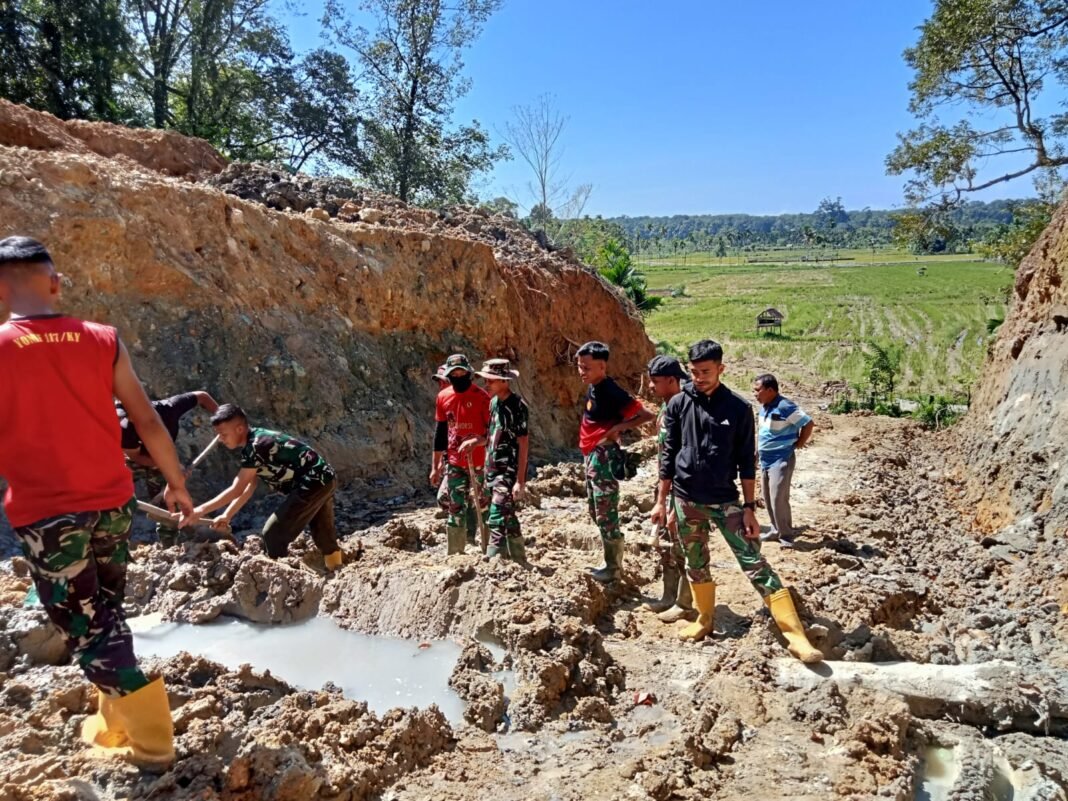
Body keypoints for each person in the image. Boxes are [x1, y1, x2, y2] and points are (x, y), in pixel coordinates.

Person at [0, 236, 192, 766]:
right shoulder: (102, 339)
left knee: (85, 626)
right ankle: (113, 724)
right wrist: (175, 483)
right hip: (113, 502)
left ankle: (153, 743)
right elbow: (148, 419)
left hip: (48, 514)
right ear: (56, 282)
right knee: (104, 611)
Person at [652, 339, 822, 663]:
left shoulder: (738, 408)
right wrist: (664, 502)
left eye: (705, 371)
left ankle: (795, 635)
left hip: (725, 502)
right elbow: (668, 457)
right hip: (686, 501)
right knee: (695, 563)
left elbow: (747, 461)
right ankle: (704, 621)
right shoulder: (677, 405)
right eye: (694, 371)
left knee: (754, 562)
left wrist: (749, 508)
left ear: (721, 369)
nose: (699, 377)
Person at [193, 404, 343, 570]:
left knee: (273, 533)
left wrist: (200, 510)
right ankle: (336, 568)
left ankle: (286, 583)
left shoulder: (256, 446)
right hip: (323, 478)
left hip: (313, 481)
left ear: (239, 429)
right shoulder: (255, 443)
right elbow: (248, 488)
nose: (221, 439)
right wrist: (227, 515)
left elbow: (237, 488)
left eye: (223, 434)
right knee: (322, 531)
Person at [576, 341, 654, 583]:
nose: (581, 371)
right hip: (592, 455)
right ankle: (610, 561)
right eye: (579, 366)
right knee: (595, 509)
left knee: (605, 510)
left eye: (586, 367)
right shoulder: (594, 387)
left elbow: (645, 415)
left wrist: (619, 427)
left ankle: (613, 567)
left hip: (604, 456)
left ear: (602, 366)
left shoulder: (611, 390)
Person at [117, 390, 219, 546]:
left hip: (161, 459)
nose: (130, 419)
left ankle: (169, 543)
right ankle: (115, 541)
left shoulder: (169, 408)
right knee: (114, 495)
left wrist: (222, 420)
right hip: (130, 462)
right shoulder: (125, 428)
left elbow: (202, 396)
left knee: (169, 502)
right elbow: (136, 456)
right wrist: (169, 465)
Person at [640, 355, 693, 622]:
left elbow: (682, 456)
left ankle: (685, 602)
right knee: (668, 544)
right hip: (665, 484)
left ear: (672, 380)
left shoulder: (684, 410)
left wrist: (672, 497)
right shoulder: (666, 407)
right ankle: (669, 596)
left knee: (680, 543)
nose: (650, 386)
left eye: (655, 381)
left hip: (679, 488)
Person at [460, 359, 529, 561]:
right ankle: (519, 558)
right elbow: (491, 436)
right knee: (507, 514)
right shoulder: (493, 404)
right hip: (491, 468)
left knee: (497, 516)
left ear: (504, 381)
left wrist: (520, 480)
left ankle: (494, 559)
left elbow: (523, 443)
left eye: (491, 380)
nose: (486, 384)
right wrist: (475, 441)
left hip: (507, 471)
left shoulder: (518, 406)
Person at [431, 354, 491, 555]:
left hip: (480, 461)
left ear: (469, 373)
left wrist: (477, 442)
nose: (458, 376)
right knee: (455, 507)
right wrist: (435, 466)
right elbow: (440, 434)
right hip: (455, 462)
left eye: (461, 372)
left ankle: (488, 549)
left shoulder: (482, 398)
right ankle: (456, 552)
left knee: (483, 506)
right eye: (454, 373)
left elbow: (492, 432)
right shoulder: (443, 397)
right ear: (448, 376)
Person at [753, 374, 813, 547]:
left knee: (779, 497)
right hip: (765, 459)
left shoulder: (785, 406)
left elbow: (808, 423)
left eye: (758, 390)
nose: (755, 394)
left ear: (770, 390)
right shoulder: (765, 407)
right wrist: (757, 452)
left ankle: (786, 535)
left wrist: (799, 443)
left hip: (781, 458)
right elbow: (764, 433)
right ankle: (774, 529)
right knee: (768, 497)